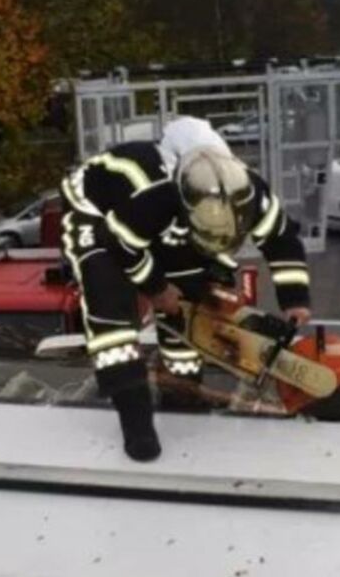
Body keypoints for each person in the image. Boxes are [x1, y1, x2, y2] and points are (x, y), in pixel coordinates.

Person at [60, 116, 312, 461]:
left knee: (194, 291)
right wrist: (156, 287)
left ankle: (182, 389)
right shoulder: (155, 198)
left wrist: (295, 299)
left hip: (160, 227)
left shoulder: (250, 192)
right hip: (98, 212)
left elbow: (282, 240)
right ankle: (135, 419)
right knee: (107, 292)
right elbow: (120, 243)